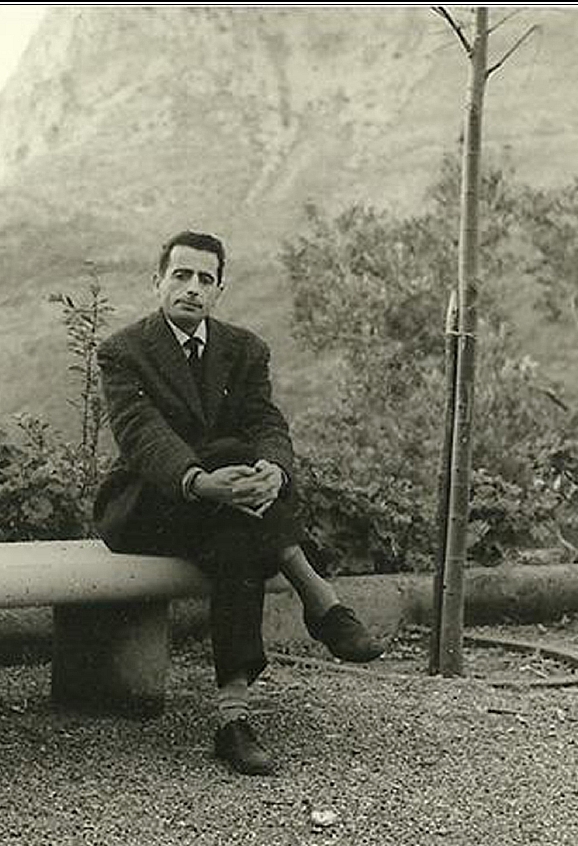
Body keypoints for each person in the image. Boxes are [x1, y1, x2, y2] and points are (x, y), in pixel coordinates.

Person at [92, 230, 384, 776]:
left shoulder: (244, 349)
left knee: (237, 537)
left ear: (220, 290)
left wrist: (272, 469)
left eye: (206, 279)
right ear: (157, 282)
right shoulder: (124, 352)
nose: (192, 289)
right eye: (181, 275)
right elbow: (142, 437)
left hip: (230, 516)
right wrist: (203, 481)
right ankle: (319, 597)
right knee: (228, 458)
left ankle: (234, 717)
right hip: (152, 506)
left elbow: (266, 423)